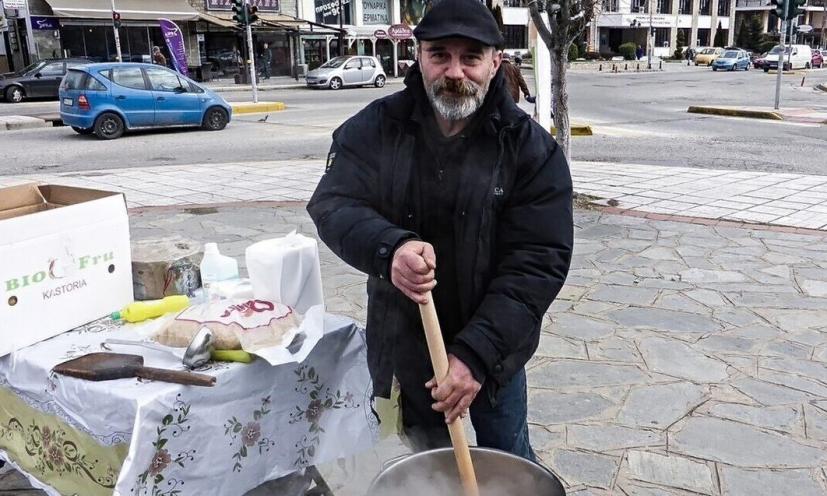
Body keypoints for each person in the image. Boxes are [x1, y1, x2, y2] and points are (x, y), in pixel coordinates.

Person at [307, 0, 573, 461]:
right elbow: (333, 202)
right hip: (405, 347)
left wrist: (476, 355)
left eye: (470, 57)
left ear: (495, 62)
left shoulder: (530, 150)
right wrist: (390, 250)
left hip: (494, 353)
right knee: (421, 465)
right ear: (419, 56)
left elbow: (537, 262)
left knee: (507, 462)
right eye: (440, 55)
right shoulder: (379, 127)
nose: (454, 71)